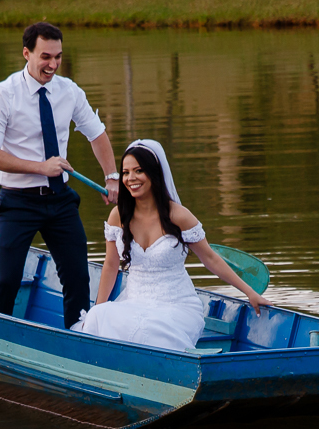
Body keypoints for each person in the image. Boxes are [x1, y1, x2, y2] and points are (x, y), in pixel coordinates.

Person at [0, 22, 120, 329]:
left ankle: (77, 340)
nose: (52, 64)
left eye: (58, 57)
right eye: (45, 57)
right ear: (26, 53)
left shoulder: (69, 91)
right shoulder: (3, 95)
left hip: (60, 202)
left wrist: (112, 177)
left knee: (79, 277)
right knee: (6, 280)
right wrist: (42, 167)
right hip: (17, 202)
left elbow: (97, 134)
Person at [73, 139, 271, 351]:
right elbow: (111, 265)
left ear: (154, 174)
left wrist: (249, 292)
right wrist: (98, 309)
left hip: (176, 307)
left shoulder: (179, 216)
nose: (131, 179)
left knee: (151, 329)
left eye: (139, 171)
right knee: (98, 316)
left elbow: (211, 259)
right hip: (133, 303)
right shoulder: (118, 216)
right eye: (126, 172)